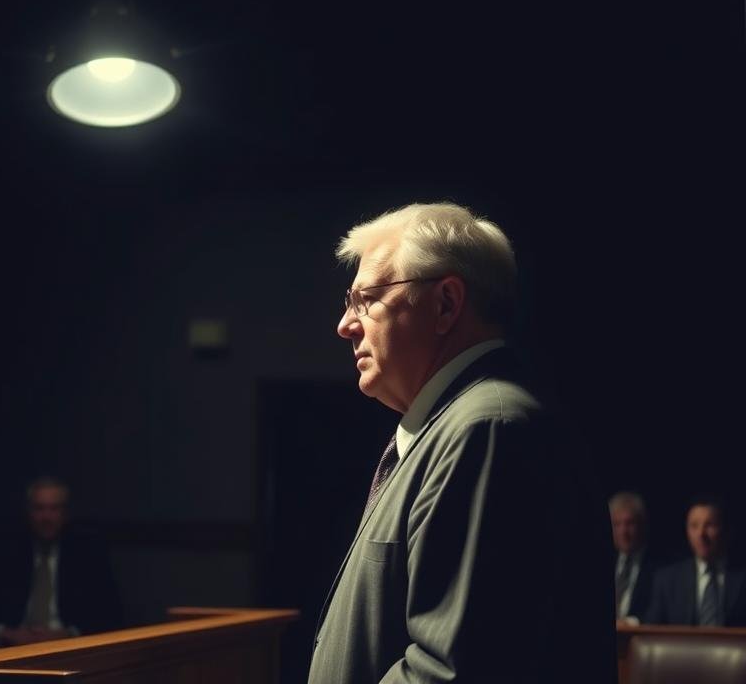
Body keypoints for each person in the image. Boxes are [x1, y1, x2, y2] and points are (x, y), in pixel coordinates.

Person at [307, 202, 615, 684]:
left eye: (365, 299)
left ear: (446, 304)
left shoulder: (487, 430)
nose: (345, 324)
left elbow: (448, 672)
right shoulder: (455, 427)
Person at [0, 476, 122, 645]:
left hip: (69, 646)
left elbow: (108, 612)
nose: (46, 517)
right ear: (28, 512)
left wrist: (69, 633)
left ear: (66, 513)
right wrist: (5, 633)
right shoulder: (3, 551)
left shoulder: (88, 554)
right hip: (13, 647)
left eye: (54, 508)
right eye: (39, 508)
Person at [645, 497, 746, 626]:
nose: (701, 534)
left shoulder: (741, 575)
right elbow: (651, 629)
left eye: (710, 525)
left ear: (726, 530)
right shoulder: (667, 580)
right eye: (694, 526)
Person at [610, 491, 656, 624]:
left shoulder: (660, 568)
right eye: (616, 524)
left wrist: (630, 623)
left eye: (629, 523)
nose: (623, 532)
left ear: (642, 525)